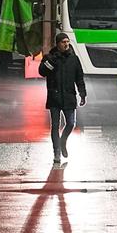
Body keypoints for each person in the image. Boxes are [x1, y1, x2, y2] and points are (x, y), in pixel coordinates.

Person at [39, 32, 86, 164]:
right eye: (63, 42)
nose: (66, 44)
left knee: (71, 123)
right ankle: (57, 152)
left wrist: (82, 93)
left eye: (67, 42)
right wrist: (51, 61)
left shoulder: (74, 59)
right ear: (58, 44)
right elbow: (42, 72)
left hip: (69, 96)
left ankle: (63, 140)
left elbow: (79, 78)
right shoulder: (50, 57)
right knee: (55, 126)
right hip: (54, 97)